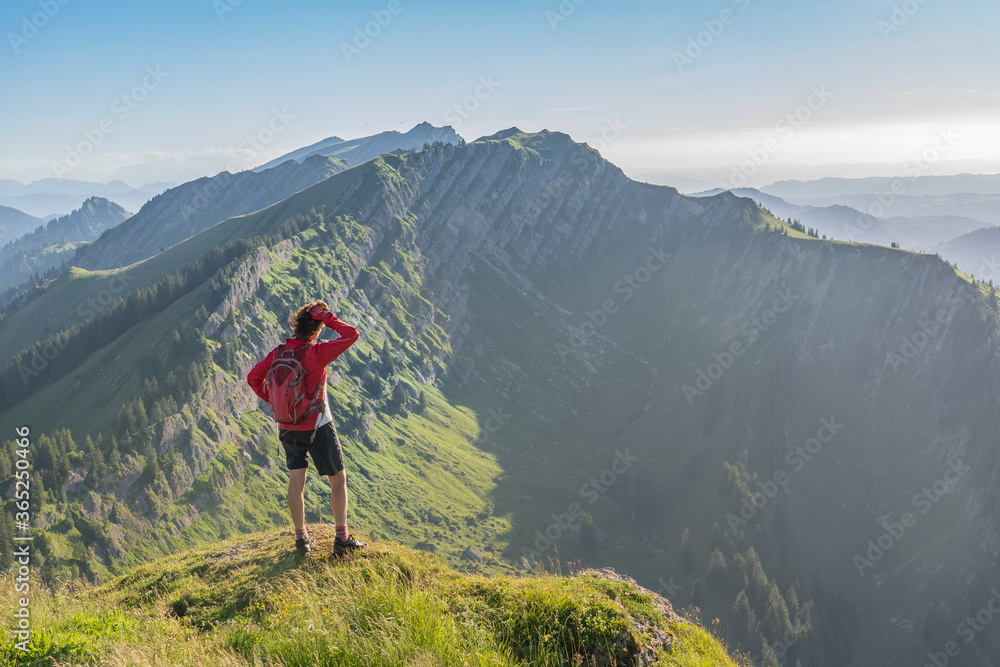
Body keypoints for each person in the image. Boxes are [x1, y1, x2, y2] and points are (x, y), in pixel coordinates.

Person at [247, 300, 366, 555]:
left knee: (296, 480)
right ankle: (342, 538)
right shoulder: (316, 353)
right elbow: (352, 334)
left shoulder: (278, 352)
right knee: (338, 479)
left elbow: (252, 377)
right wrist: (328, 316)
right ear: (316, 329)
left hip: (287, 426)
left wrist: (272, 399)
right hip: (318, 426)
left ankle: (301, 538)